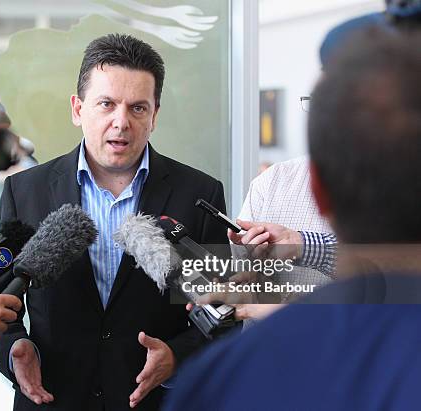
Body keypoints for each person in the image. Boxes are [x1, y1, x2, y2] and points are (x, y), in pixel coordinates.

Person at [164, 27, 421, 411]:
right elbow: (239, 281)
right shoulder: (275, 182)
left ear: (319, 190)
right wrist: (248, 276)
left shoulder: (216, 384)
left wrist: (295, 266)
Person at [0, 33, 231, 411]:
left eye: (137, 108)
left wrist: (176, 356)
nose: (121, 122)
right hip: (54, 399)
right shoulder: (25, 191)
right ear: (78, 109)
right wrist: (15, 347)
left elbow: (225, 316)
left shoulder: (200, 196)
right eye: (106, 104)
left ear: (155, 115)